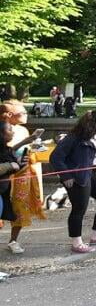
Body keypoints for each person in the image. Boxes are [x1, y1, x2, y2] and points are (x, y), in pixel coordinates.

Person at [55, 108, 96, 253]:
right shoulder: (76, 136)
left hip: (93, 173)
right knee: (79, 208)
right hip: (78, 175)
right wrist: (66, 176)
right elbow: (56, 157)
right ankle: (76, 243)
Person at [1, 100, 44, 255]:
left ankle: (13, 240)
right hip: (6, 174)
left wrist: (33, 145)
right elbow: (6, 151)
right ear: (10, 114)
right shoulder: (4, 130)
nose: (26, 115)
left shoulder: (23, 130)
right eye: (23, 112)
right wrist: (24, 142)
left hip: (22, 173)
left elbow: (25, 149)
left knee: (20, 208)